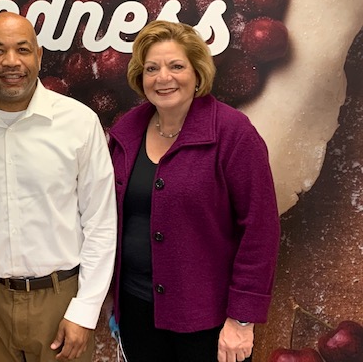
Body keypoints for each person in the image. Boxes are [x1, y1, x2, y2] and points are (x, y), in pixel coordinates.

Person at [0, 11, 117, 362]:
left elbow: (100, 223)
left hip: (61, 300)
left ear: (38, 56)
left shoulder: (79, 123)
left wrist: (84, 310)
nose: (11, 61)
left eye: (22, 49)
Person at [108, 20, 280, 362]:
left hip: (208, 321)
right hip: (136, 311)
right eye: (152, 68)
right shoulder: (126, 131)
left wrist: (242, 320)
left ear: (197, 72)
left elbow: (261, 229)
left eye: (176, 66)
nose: (163, 78)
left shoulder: (233, 133)